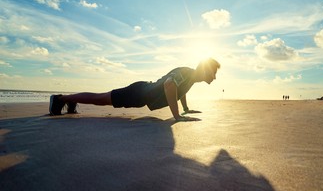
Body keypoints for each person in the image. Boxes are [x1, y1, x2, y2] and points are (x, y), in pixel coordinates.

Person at [49, 58, 220, 121]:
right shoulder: (187, 73)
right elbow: (170, 85)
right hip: (138, 93)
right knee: (100, 99)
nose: (214, 76)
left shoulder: (191, 78)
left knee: (101, 99)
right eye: (214, 72)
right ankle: (61, 99)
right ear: (206, 69)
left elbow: (179, 91)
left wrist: (185, 109)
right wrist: (176, 117)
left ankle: (69, 101)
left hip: (141, 94)